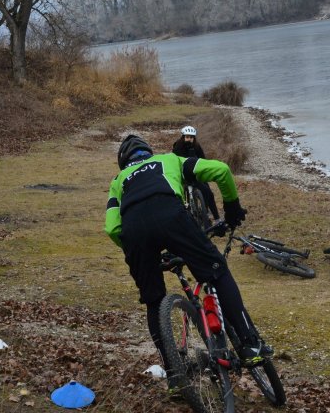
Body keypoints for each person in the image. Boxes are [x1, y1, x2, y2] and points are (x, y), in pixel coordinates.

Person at [105, 134, 271, 392]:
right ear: (148, 152)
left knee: (153, 300)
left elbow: (113, 228)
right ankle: (250, 344)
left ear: (123, 162)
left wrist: (140, 251)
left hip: (135, 231)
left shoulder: (118, 181)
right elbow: (221, 170)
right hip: (172, 216)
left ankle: (173, 373)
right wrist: (232, 208)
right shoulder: (170, 160)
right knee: (216, 272)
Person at [171, 125, 219, 222]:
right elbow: (175, 161)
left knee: (209, 193)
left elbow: (202, 160)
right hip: (184, 174)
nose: (189, 139)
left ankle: (215, 217)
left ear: (194, 138)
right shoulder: (178, 146)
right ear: (183, 137)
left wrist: (192, 149)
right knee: (178, 196)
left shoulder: (196, 146)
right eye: (187, 137)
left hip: (195, 174)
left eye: (191, 137)